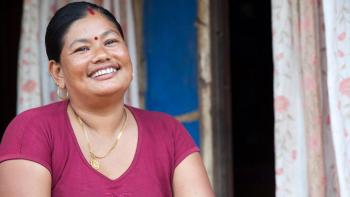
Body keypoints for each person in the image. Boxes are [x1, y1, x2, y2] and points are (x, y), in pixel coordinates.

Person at [0, 2, 214, 197]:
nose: (102, 55)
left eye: (111, 41)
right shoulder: (32, 131)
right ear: (58, 73)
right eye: (82, 48)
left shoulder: (168, 132)